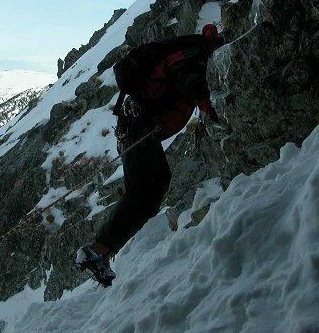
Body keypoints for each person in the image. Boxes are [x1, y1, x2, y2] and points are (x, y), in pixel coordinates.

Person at [76, 24, 224, 286]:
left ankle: (126, 243)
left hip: (138, 127)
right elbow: (190, 82)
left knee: (158, 182)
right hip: (137, 128)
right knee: (140, 190)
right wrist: (212, 108)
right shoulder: (193, 53)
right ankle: (96, 251)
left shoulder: (188, 49)